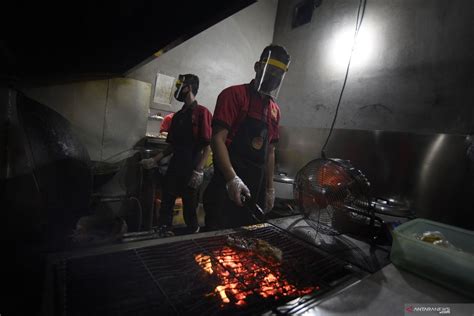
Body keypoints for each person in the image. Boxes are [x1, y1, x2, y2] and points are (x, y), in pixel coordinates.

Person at [204, 44, 290, 230]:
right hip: (227, 186)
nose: (274, 78)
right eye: (271, 71)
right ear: (258, 66)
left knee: (246, 246)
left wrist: (269, 189)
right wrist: (232, 179)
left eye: (279, 74)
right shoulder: (234, 95)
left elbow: (270, 152)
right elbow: (217, 139)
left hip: (255, 189)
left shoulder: (274, 110)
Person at [140, 74, 212, 236]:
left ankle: (192, 236)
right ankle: (163, 234)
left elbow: (207, 145)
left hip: (191, 169)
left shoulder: (202, 113)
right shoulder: (178, 116)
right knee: (166, 203)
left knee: (189, 208)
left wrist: (199, 170)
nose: (177, 89)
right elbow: (171, 146)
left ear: (189, 87)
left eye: (180, 85)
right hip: (175, 166)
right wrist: (154, 160)